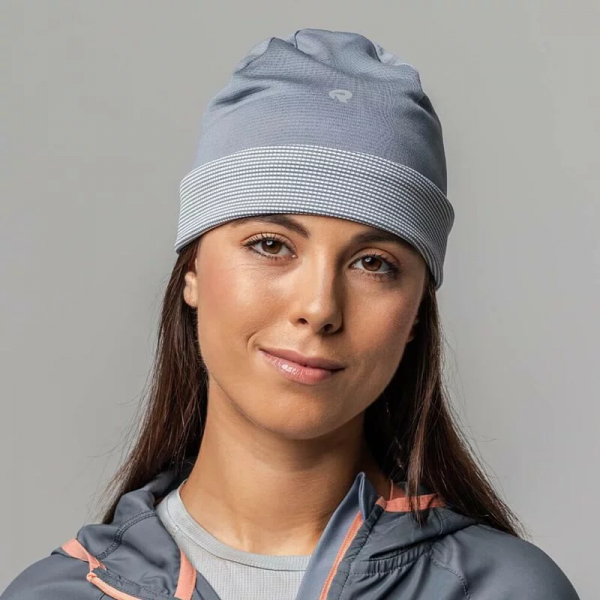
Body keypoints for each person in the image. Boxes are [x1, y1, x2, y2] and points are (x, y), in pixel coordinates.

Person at [1, 28, 580, 600]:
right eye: (271, 245)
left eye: (373, 263)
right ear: (193, 271)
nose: (319, 308)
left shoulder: (507, 590)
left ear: (415, 317)